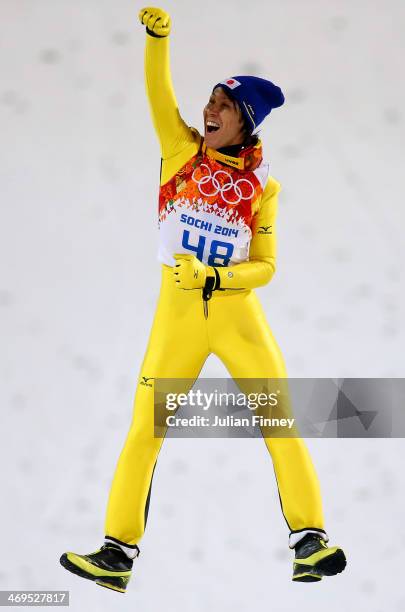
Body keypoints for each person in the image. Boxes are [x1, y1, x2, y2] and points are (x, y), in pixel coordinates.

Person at [59, 6, 347, 593]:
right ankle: (116, 552)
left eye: (224, 106)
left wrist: (219, 280)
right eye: (210, 100)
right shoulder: (179, 151)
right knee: (146, 429)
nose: (209, 110)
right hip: (178, 320)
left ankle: (310, 541)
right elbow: (156, 90)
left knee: (279, 423)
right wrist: (157, 39)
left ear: (247, 123)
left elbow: (266, 267)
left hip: (239, 320)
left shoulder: (261, 188)